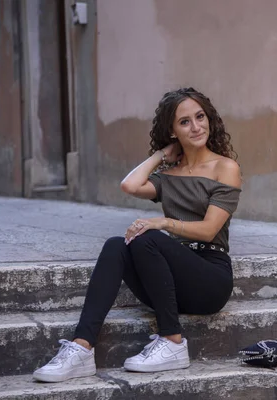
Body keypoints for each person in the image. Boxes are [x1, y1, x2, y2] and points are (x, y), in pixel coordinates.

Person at [33, 87, 242, 382]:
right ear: (172, 131)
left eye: (200, 117)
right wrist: (160, 155)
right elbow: (129, 185)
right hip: (169, 281)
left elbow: (209, 230)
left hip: (210, 278)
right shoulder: (169, 176)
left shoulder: (225, 167)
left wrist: (162, 223)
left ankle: (172, 342)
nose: (196, 127)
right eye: (184, 122)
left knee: (148, 235)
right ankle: (81, 348)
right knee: (116, 245)